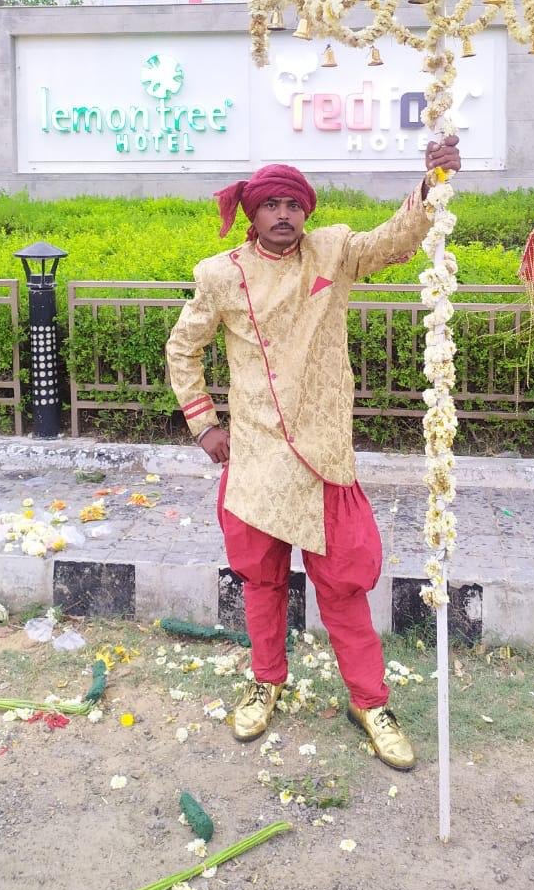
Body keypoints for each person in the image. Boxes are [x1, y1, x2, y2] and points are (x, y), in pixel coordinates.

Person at [165, 137, 461, 770]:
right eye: (270, 205)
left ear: (306, 211)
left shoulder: (333, 250)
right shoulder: (220, 274)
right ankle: (266, 683)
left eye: (293, 205)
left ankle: (369, 702)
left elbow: (393, 240)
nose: (283, 215)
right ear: (252, 213)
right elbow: (182, 348)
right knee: (261, 582)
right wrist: (203, 423)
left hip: (326, 455)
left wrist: (431, 182)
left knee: (344, 588)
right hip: (257, 457)